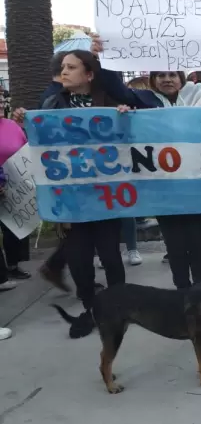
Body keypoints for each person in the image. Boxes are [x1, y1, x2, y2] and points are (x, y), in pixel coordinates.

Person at [91, 34, 201, 289]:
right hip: (164, 188)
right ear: (153, 79)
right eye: (161, 75)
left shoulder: (199, 96)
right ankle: (182, 291)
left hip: (198, 185)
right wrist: (103, 58)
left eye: (173, 74)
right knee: (175, 246)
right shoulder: (143, 100)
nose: (167, 79)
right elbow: (116, 90)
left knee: (199, 243)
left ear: (181, 77)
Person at [13, 50, 132, 338]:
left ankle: (120, 308)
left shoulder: (110, 102)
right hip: (70, 199)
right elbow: (42, 147)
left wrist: (126, 117)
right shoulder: (52, 103)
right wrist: (25, 122)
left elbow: (131, 140)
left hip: (106, 197)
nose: (63, 72)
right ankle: (91, 308)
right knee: (79, 259)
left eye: (71, 67)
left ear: (89, 74)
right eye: (62, 67)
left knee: (111, 256)